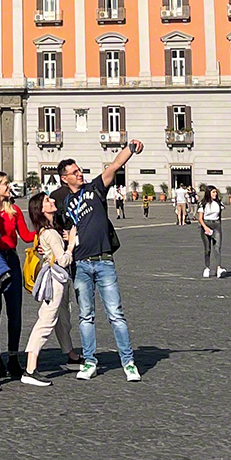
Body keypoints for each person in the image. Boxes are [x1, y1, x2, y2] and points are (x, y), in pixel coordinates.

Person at [55, 141, 142, 381]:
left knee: (116, 314)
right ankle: (89, 362)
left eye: (79, 170)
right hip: (80, 264)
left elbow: (114, 166)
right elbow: (65, 229)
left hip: (104, 261)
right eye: (74, 172)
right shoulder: (65, 204)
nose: (79, 173)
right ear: (64, 178)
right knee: (85, 316)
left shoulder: (94, 188)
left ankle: (128, 362)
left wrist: (130, 148)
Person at [21, 191, 77, 385]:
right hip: (55, 280)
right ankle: (30, 369)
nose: (52, 200)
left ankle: (71, 355)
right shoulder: (51, 233)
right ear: (41, 209)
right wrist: (71, 244)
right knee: (46, 321)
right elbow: (63, 260)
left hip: (54, 278)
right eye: (47, 200)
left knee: (62, 318)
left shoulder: (47, 231)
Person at [0, 171, 33, 381]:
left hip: (11, 260)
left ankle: (13, 356)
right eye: (5, 183)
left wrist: (45, 230)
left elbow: (26, 236)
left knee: (14, 312)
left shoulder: (14, 211)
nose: (9, 186)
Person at [196, 185, 224, 278]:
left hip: (216, 225)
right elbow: (200, 218)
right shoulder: (203, 204)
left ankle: (219, 268)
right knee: (207, 249)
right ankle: (207, 267)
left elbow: (220, 216)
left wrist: (219, 225)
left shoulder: (218, 203)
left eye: (216, 192)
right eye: (213, 192)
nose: (215, 194)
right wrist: (205, 227)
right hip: (206, 224)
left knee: (217, 248)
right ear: (209, 193)